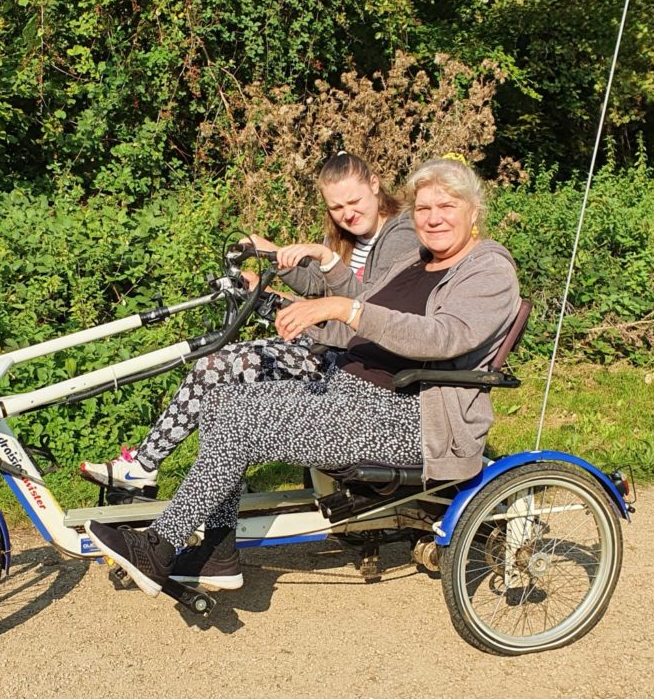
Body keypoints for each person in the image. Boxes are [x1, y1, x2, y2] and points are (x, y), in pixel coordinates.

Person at [85, 157, 522, 597]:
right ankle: (218, 554)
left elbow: (443, 337)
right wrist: (299, 304)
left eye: (445, 206)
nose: (433, 218)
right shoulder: (415, 259)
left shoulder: (488, 269)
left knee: (241, 420)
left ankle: (158, 548)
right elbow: (360, 302)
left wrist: (344, 309)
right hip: (348, 389)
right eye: (424, 209)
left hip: (408, 417)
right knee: (221, 399)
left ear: (473, 209)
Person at [79, 152, 418, 503]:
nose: (347, 214)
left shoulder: (400, 236)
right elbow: (319, 285)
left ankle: (158, 471)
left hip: (358, 364)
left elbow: (370, 310)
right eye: (336, 207)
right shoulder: (345, 236)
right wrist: (271, 257)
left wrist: (292, 289)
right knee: (217, 360)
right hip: (331, 345)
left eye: (354, 201)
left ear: (375, 185)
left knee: (224, 365)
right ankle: (175, 473)